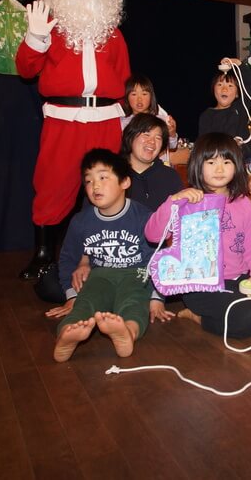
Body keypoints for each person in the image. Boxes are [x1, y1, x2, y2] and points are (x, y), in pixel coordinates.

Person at [15, 0, 131, 280]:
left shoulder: (114, 36)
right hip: (63, 121)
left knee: (105, 186)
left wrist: (125, 119)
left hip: (105, 121)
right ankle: (43, 254)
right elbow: (26, 69)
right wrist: (35, 38)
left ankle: (102, 253)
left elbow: (124, 78)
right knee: (52, 184)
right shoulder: (50, 29)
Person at [145, 133, 251, 338]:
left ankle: (235, 307)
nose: (219, 169)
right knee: (246, 319)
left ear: (236, 166)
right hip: (202, 285)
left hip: (239, 279)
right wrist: (173, 202)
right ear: (198, 165)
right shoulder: (188, 201)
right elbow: (152, 235)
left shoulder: (243, 202)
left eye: (226, 162)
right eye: (211, 162)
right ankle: (197, 316)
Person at [44, 149, 173, 363]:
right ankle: (66, 335)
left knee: (133, 303)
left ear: (125, 182)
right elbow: (67, 259)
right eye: (89, 181)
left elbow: (156, 259)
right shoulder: (81, 221)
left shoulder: (143, 217)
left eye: (103, 177)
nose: (95, 186)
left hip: (136, 274)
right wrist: (71, 295)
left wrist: (157, 298)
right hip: (100, 275)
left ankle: (128, 333)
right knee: (86, 302)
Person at [198, 57, 251, 160]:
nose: (224, 89)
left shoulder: (240, 108)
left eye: (230, 86)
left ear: (237, 94)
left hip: (246, 162)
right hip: (220, 163)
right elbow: (204, 145)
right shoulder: (206, 116)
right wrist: (230, 145)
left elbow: (250, 85)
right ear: (213, 90)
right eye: (220, 84)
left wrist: (237, 63)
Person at [121, 113, 182, 212]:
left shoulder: (170, 177)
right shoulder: (113, 174)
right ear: (130, 137)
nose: (152, 142)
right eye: (146, 135)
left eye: (158, 138)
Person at [121, 73, 178, 165]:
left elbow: (172, 145)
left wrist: (172, 133)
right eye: (134, 94)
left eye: (144, 94)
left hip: (158, 167)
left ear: (151, 96)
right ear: (127, 97)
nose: (139, 99)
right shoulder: (122, 122)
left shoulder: (161, 120)